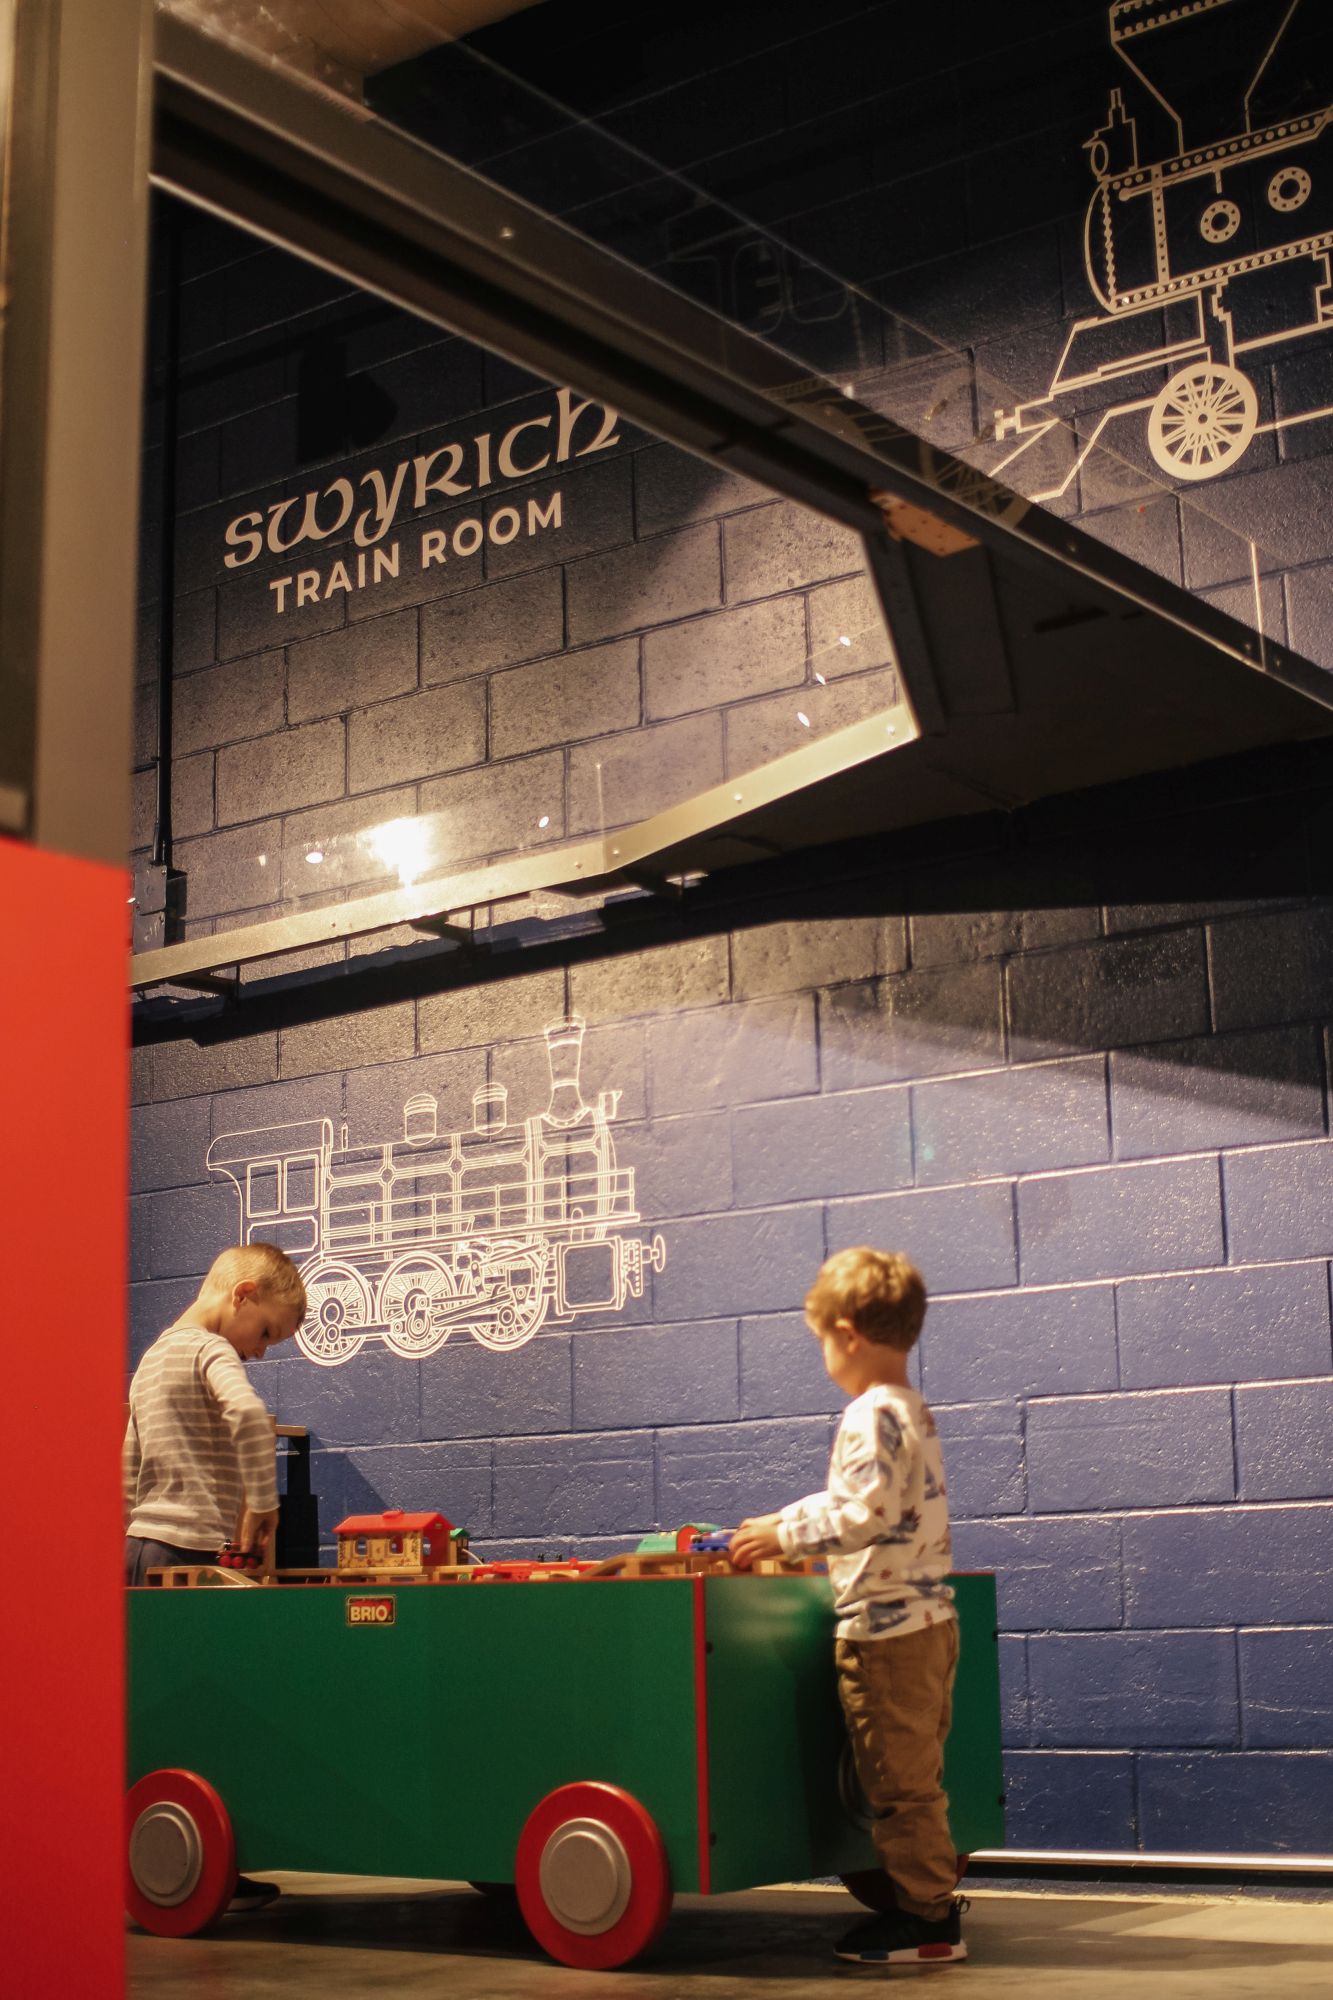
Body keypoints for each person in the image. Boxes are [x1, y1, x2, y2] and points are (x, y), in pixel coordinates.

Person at [729, 1247, 964, 1968]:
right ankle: (920, 1899)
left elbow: (860, 1513)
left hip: (887, 1634)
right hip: (929, 1625)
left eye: (823, 1341)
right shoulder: (909, 1410)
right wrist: (783, 1518)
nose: (825, 1356)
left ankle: (927, 1919)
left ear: (849, 1332)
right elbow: (872, 1503)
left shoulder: (867, 1415)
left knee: (896, 1785)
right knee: (912, 1777)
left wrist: (787, 1532)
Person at [123, 1241, 306, 1915]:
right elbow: (252, 1418)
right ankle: (212, 1862)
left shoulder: (149, 1359)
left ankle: (181, 1855)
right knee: (218, 1718)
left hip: (142, 1553)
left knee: (164, 1720)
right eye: (265, 1334)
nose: (259, 1351)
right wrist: (263, 1503)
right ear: (243, 1294)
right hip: (191, 1559)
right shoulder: (210, 1351)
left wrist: (122, 1539)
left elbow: (127, 1461)